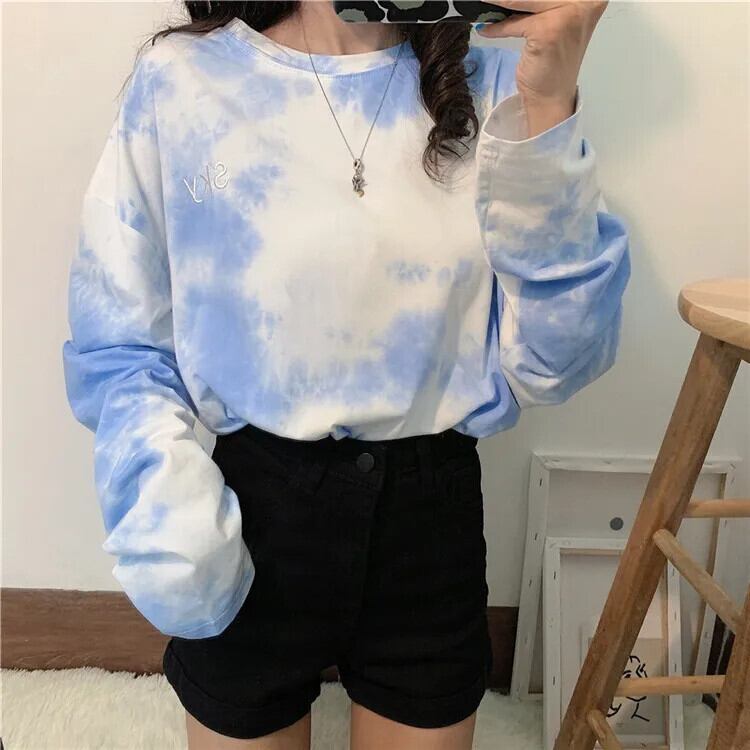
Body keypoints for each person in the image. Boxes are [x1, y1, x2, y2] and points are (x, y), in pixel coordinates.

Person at [61, 1, 628, 748]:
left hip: (431, 517)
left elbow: (560, 360)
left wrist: (549, 108)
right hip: (250, 509)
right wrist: (165, 510)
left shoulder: (498, 78)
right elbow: (122, 339)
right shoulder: (183, 81)